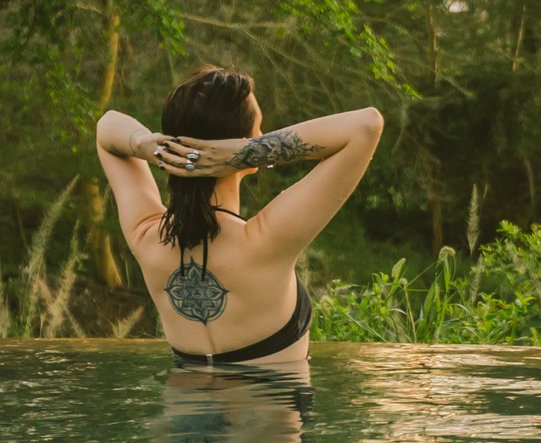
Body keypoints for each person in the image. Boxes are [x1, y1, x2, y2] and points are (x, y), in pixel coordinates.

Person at [95, 67, 383, 367]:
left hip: (186, 405)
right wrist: (249, 152)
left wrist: (149, 145)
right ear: (242, 141)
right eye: (259, 131)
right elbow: (366, 125)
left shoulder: (147, 239)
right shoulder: (267, 241)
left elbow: (107, 127)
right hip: (268, 404)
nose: (263, 135)